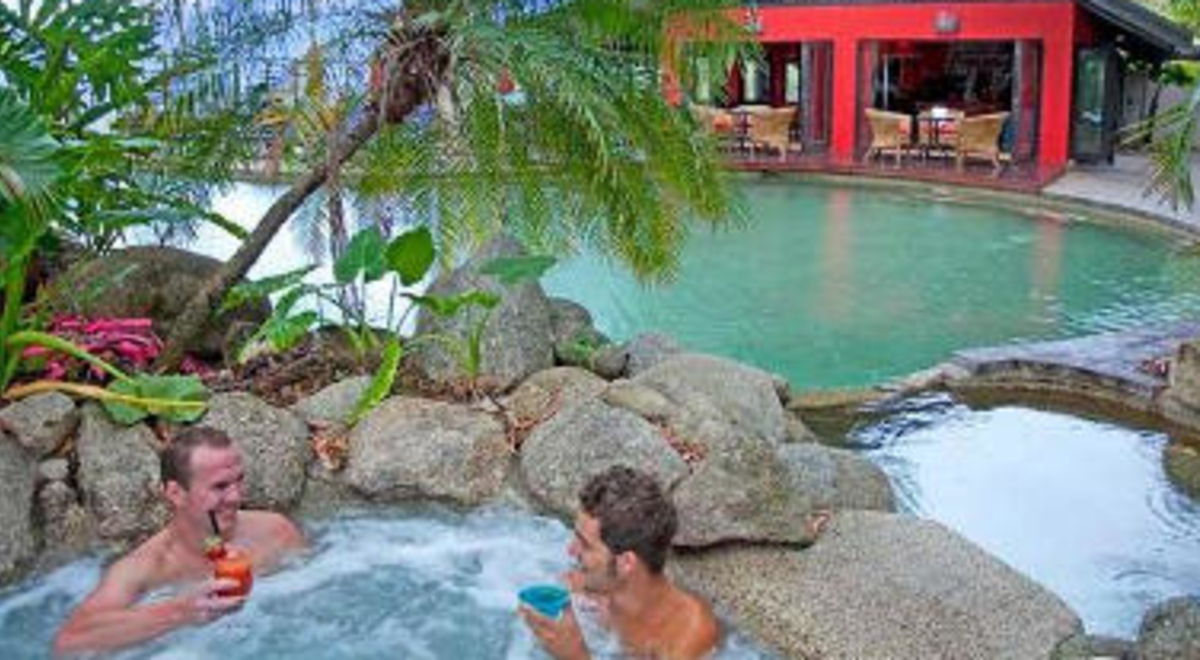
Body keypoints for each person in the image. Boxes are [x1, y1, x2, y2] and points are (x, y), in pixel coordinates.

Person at [53, 426, 306, 656]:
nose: (235, 497)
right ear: (176, 493)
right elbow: (70, 642)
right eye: (219, 487)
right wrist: (179, 612)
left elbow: (315, 606)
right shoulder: (143, 569)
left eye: (238, 480)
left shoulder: (275, 532)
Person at [520, 466, 720, 660]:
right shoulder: (591, 587)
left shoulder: (684, 639)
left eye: (585, 544)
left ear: (626, 563)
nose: (571, 551)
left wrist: (576, 656)